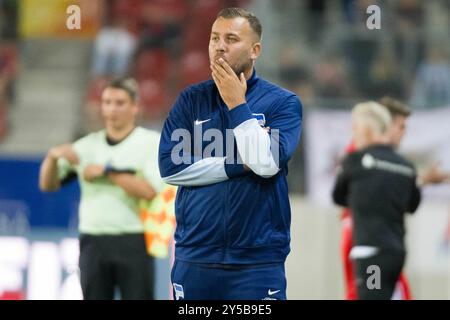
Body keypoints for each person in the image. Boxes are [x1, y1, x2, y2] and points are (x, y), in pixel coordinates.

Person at [158, 7, 302, 300]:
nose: (219, 46)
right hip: (195, 257)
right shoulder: (190, 100)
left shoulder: (283, 104)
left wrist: (238, 104)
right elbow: (170, 167)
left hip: (257, 263)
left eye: (231, 38)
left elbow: (265, 163)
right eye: (214, 38)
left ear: (255, 50)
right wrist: (238, 164)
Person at [39, 78, 164, 300]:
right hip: (93, 241)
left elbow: (149, 191)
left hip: (133, 238)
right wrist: (52, 157)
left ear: (135, 107)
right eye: (106, 102)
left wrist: (108, 172)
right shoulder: (86, 146)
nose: (111, 109)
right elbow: (48, 185)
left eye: (119, 102)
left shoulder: (150, 143)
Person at [339, 97, 449, 300]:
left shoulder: (374, 157)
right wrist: (422, 180)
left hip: (376, 241)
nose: (403, 133)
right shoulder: (363, 154)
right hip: (366, 239)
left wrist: (422, 180)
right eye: (401, 126)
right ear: (385, 125)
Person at [332, 101, 421, 300]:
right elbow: (412, 204)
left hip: (369, 249)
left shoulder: (358, 159)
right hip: (395, 250)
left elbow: (338, 196)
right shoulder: (406, 166)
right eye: (401, 126)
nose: (403, 132)